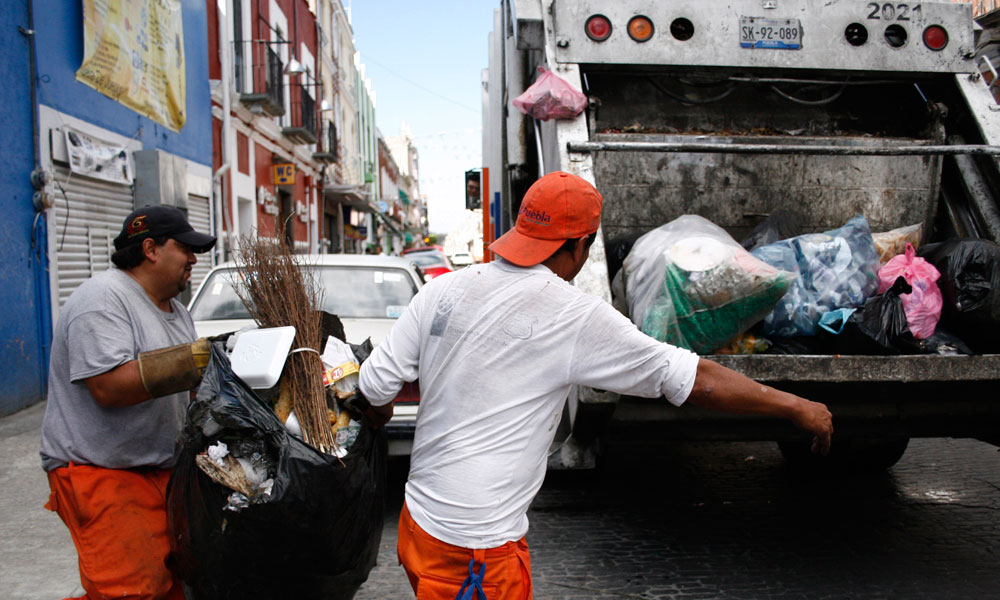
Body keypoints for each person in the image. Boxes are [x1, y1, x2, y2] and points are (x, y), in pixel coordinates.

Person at [358, 171, 833, 600]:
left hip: (417, 525)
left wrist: (379, 418)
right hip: (475, 551)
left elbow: (375, 386)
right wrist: (796, 406)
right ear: (581, 245)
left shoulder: (442, 289)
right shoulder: (573, 315)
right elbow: (693, 379)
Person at [40, 204, 217, 600]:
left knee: (173, 582)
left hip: (161, 471)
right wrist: (192, 362)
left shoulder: (177, 312)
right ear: (151, 248)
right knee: (129, 589)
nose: (193, 259)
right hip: (100, 471)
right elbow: (109, 387)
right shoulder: (103, 299)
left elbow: (190, 393)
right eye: (185, 248)